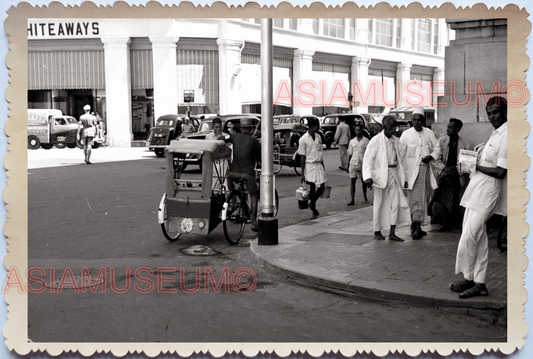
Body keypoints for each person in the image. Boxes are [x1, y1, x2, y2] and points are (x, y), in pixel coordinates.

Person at [449, 96, 507, 299]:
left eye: (496, 112)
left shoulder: (507, 135)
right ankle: (474, 280)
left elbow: (501, 172)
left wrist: (474, 165)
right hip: (476, 190)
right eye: (489, 113)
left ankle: (475, 281)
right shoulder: (494, 135)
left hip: (489, 192)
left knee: (471, 235)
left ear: (505, 111)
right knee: (474, 236)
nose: (492, 117)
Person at [363, 116, 410, 242]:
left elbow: (402, 160)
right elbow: (368, 160)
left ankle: (392, 232)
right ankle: (377, 230)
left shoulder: (397, 141)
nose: (393, 130)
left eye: (395, 128)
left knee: (396, 203)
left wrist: (405, 176)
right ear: (384, 128)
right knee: (379, 203)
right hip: (380, 176)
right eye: (390, 128)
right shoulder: (376, 140)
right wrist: (367, 177)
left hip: (394, 173)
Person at [399, 108, 441, 239]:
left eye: (419, 120)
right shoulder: (406, 135)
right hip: (411, 173)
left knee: (424, 198)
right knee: (414, 199)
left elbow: (437, 148)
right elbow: (400, 155)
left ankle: (416, 224)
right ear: (411, 121)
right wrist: (402, 173)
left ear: (423, 121)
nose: (417, 123)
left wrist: (431, 156)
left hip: (425, 171)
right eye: (414, 120)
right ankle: (416, 226)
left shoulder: (429, 133)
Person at [428, 118, 472, 232]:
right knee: (447, 187)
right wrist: (444, 168)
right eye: (447, 126)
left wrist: (454, 169)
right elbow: (436, 159)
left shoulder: (466, 144)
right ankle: (450, 221)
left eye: (450, 127)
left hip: (458, 175)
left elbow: (467, 165)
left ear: (457, 130)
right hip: (444, 174)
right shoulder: (441, 141)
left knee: (449, 191)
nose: (447, 129)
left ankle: (445, 220)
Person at [225, 118, 261, 231]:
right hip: (248, 174)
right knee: (253, 195)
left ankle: (233, 197)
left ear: (241, 129)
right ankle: (254, 222)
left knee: (229, 178)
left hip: (234, 173)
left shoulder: (235, 137)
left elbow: (224, 139)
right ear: (250, 129)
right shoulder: (254, 141)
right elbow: (260, 159)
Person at [298, 117, 327, 220]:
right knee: (312, 188)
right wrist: (302, 173)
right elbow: (302, 157)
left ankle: (312, 203)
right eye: (317, 126)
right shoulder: (303, 140)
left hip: (318, 164)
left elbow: (321, 153)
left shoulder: (319, 137)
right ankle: (314, 210)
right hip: (309, 165)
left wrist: (323, 167)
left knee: (322, 186)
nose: (318, 128)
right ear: (312, 126)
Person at [347, 124, 370, 205]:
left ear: (362, 130)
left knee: (364, 181)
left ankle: (365, 197)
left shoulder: (366, 141)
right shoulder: (352, 141)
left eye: (359, 130)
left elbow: (368, 154)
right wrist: (347, 165)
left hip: (363, 163)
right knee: (352, 180)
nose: (358, 132)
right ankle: (352, 199)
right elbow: (350, 153)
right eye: (356, 130)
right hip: (353, 163)